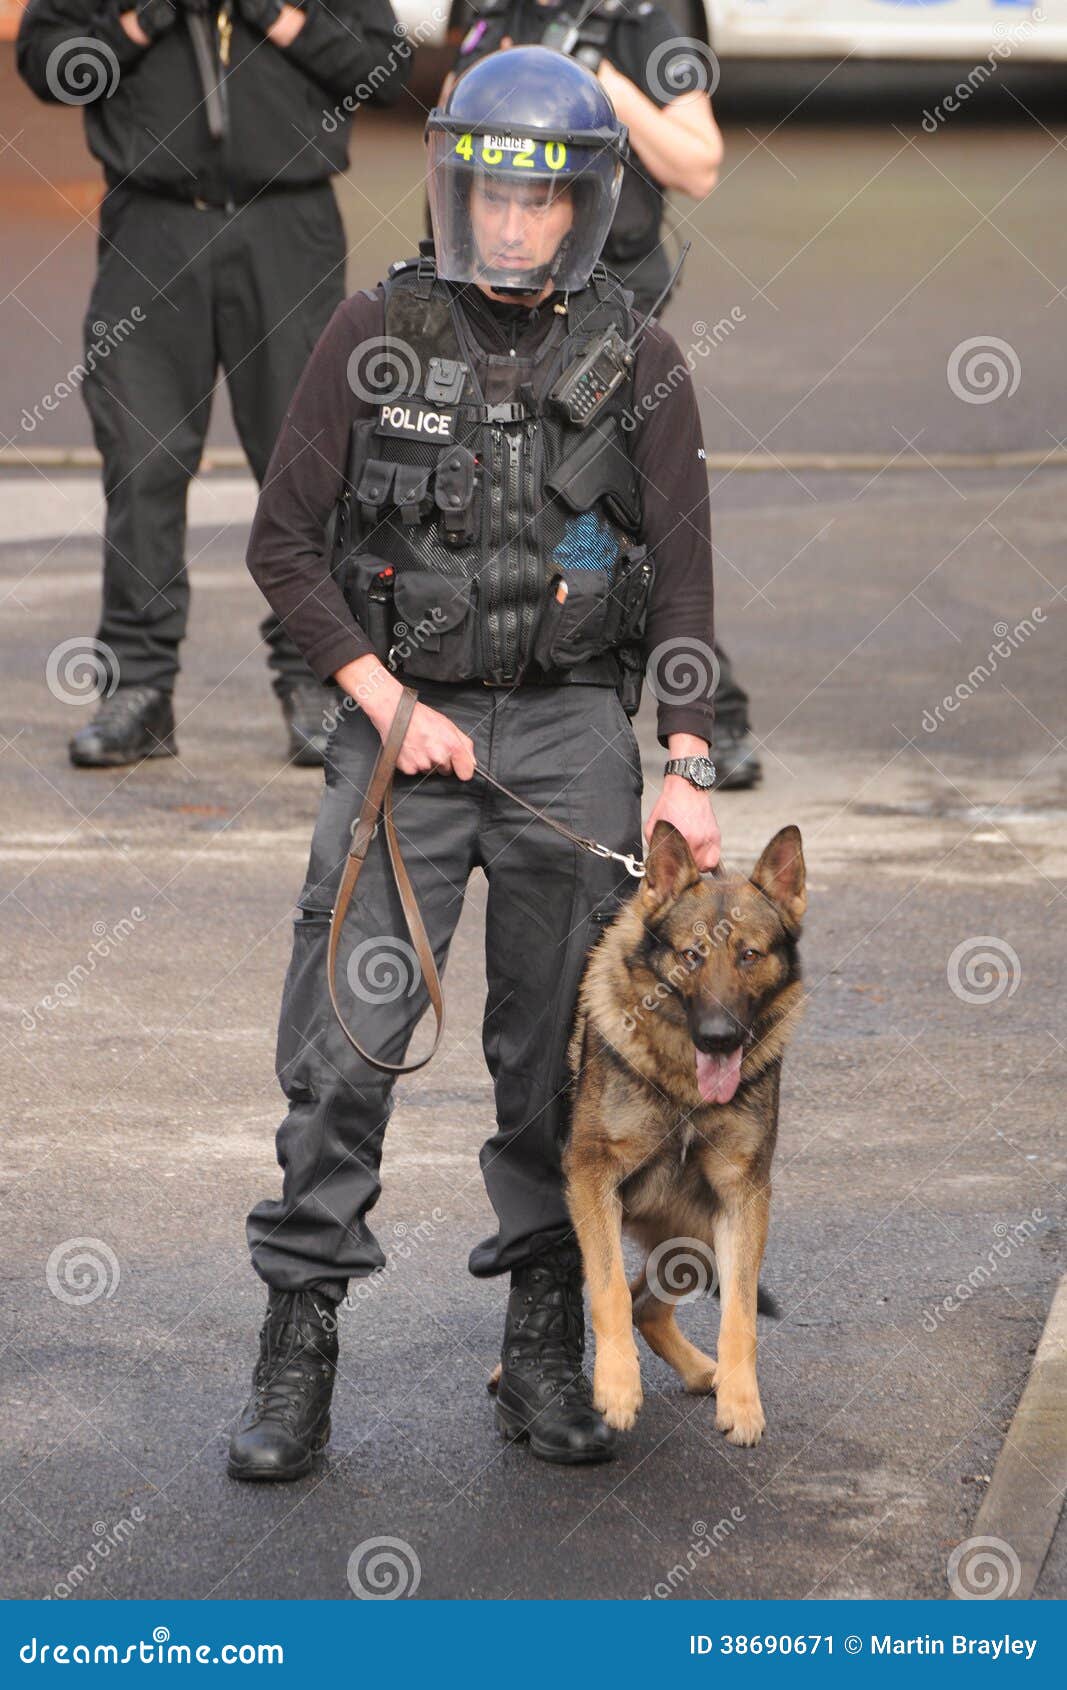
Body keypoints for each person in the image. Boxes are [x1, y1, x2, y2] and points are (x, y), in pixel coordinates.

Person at [227, 44, 721, 1482]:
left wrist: (682, 760)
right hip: (407, 735)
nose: (508, 228)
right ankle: (296, 1339)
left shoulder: (638, 358)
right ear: (455, 185)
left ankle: (549, 1332)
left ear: (581, 204)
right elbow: (282, 546)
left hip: (570, 739)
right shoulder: (374, 329)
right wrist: (385, 701)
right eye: (485, 198)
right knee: (342, 1043)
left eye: (538, 203)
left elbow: (684, 588)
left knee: (560, 1059)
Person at [16, 0, 410, 769]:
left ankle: (318, 678)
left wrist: (279, 16)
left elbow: (383, 72)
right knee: (143, 461)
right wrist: (143, 21)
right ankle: (138, 689)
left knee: (308, 465)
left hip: (289, 224)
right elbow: (50, 67)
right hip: (152, 225)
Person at [445, 0, 762, 787]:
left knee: (600, 509)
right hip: (497, 290)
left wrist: (600, 90)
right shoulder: (486, 10)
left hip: (610, 297)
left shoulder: (645, 20)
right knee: (506, 498)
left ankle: (705, 709)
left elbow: (698, 163)